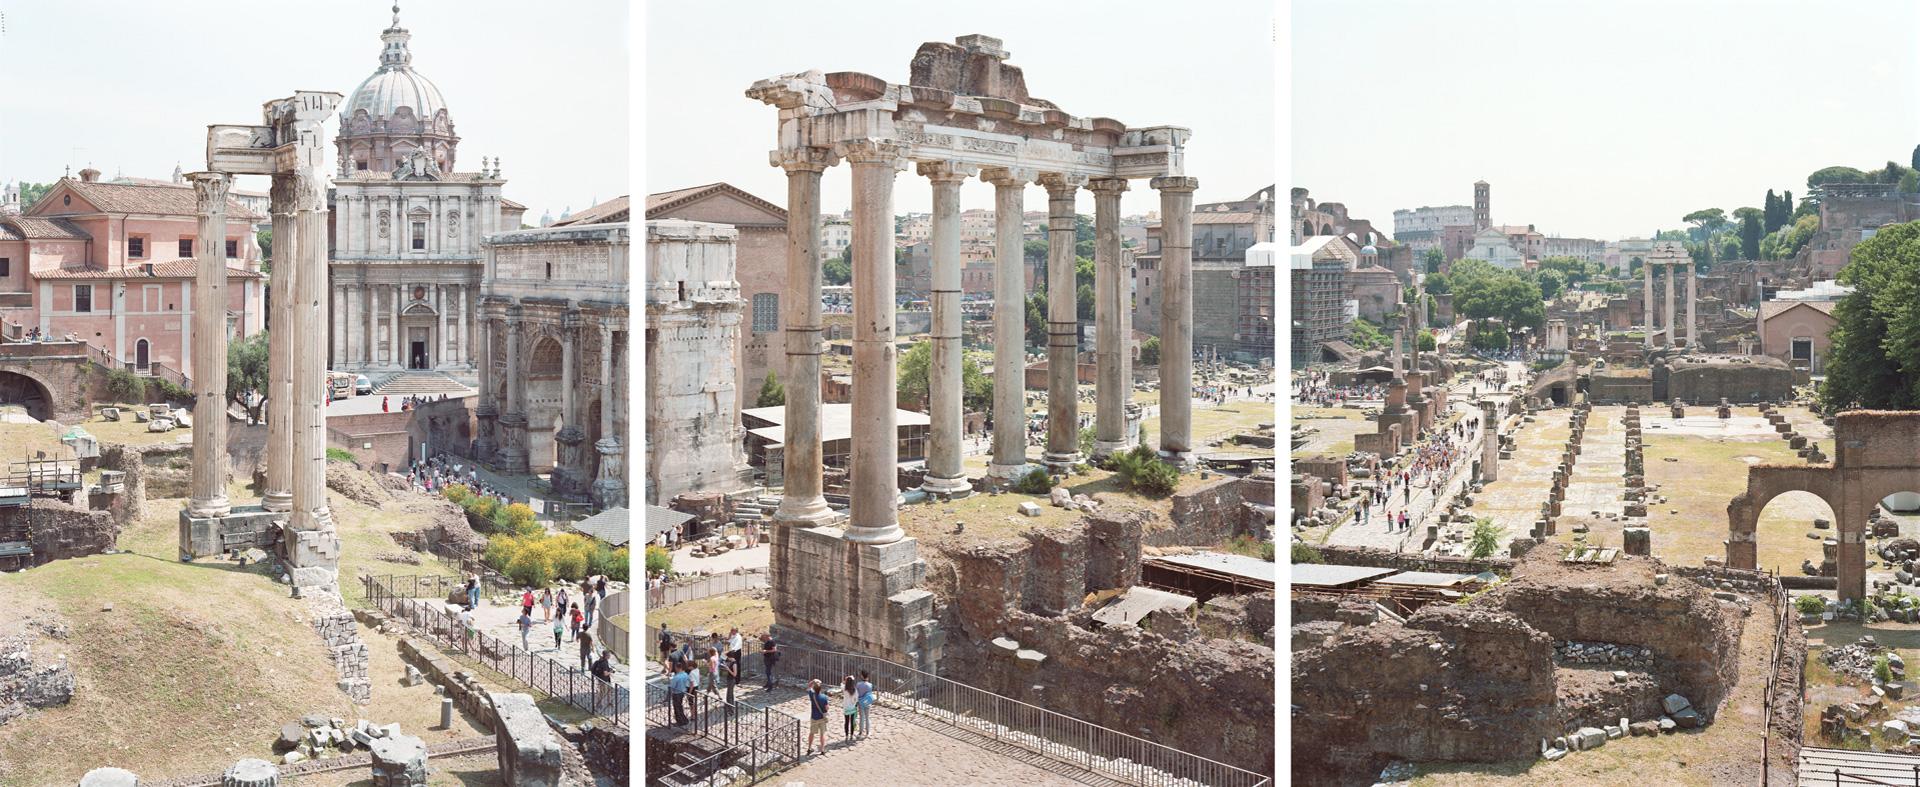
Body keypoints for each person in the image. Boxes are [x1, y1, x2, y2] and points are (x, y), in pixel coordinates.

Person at [806, 679, 830, 755]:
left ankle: (809, 748)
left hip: (814, 717)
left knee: (811, 733)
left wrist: (813, 681)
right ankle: (822, 750)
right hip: (822, 718)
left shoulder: (811, 695)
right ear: (821, 689)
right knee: (822, 734)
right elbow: (827, 708)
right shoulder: (824, 697)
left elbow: (808, 686)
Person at [856, 670, 874, 737]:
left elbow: (857, 693)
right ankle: (868, 732)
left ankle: (860, 732)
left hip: (861, 703)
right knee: (867, 717)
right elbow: (869, 694)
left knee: (861, 718)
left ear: (862, 676)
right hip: (868, 703)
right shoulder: (870, 685)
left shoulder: (858, 684)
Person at [841, 676, 858, 740]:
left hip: (846, 707)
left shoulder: (844, 689)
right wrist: (853, 703)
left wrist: (845, 680)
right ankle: (851, 735)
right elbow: (856, 699)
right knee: (852, 722)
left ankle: (846, 735)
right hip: (853, 707)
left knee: (846, 721)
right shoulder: (855, 690)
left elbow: (841, 684)